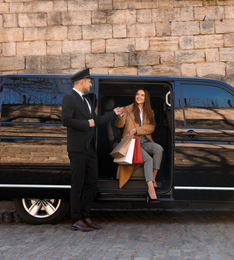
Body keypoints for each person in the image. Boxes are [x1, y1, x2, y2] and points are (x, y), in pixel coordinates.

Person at [62, 68, 124, 232]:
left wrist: (113, 114)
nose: (91, 84)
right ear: (82, 82)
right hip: (77, 149)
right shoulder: (69, 98)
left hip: (90, 148)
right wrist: (85, 124)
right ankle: (76, 219)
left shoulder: (88, 100)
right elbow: (66, 120)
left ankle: (85, 216)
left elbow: (96, 120)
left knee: (92, 182)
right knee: (78, 185)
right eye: (89, 81)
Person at [116, 89, 163, 203]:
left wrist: (137, 129)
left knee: (159, 149)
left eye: (142, 95)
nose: (139, 97)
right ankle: (151, 190)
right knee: (148, 159)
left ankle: (153, 178)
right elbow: (119, 125)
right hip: (132, 142)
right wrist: (121, 115)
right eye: (137, 94)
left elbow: (151, 127)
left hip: (145, 141)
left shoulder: (149, 111)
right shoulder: (127, 109)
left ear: (146, 98)